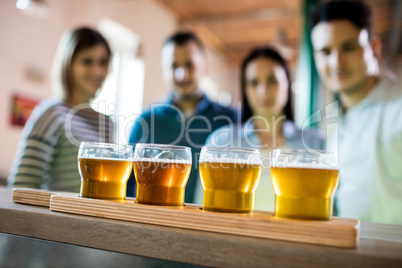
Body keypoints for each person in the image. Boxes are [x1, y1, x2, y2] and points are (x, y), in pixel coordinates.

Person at [194, 47, 324, 210]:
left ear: (287, 84)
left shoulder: (315, 143)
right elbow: (203, 208)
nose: (263, 91)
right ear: (245, 89)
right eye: (254, 83)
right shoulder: (221, 141)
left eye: (272, 80)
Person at [310, 0, 402, 224]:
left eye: (348, 47)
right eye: (325, 51)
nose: (336, 62)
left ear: (374, 48)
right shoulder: (334, 126)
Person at [127, 32, 237, 203]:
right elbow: (127, 186)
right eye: (173, 66)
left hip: (209, 225)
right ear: (164, 69)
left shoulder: (230, 119)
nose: (181, 74)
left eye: (189, 65)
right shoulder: (145, 121)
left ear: (204, 67)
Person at [8, 27, 114, 192]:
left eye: (103, 62)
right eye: (87, 61)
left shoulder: (107, 122)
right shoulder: (52, 114)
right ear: (68, 63)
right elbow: (21, 188)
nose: (97, 71)